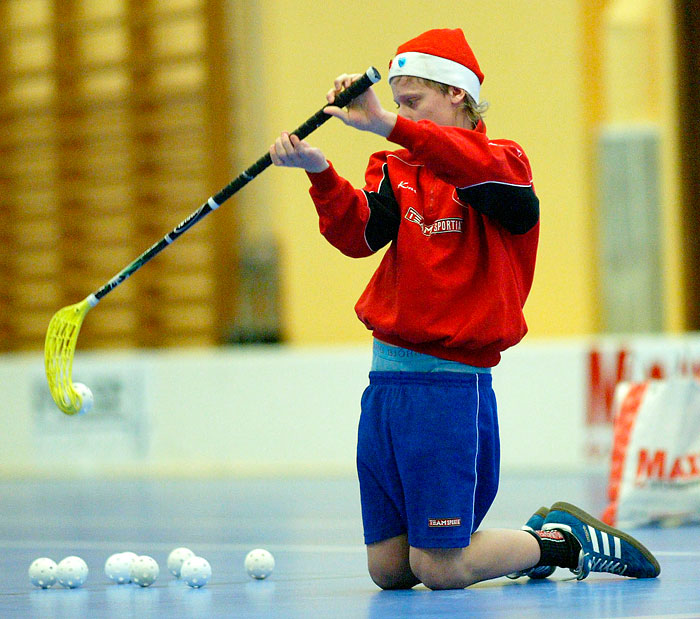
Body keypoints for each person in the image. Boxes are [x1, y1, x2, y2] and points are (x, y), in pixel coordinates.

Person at [270, 28, 660, 590]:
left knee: (441, 568)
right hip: (385, 388)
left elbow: (468, 167)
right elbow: (359, 236)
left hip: (448, 391)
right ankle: (534, 545)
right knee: (390, 570)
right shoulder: (392, 168)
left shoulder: (504, 163)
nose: (397, 116)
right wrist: (319, 172)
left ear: (456, 94)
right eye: (395, 104)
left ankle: (562, 542)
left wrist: (385, 121)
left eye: (411, 103)